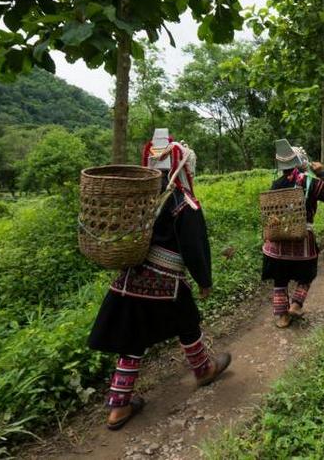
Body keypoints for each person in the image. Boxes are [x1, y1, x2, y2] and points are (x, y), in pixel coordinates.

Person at [88, 129, 231, 431]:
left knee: (132, 337)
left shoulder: (138, 199)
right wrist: (204, 280)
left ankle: (119, 406)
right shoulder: (183, 202)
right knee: (188, 322)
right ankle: (204, 370)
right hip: (166, 282)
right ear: (183, 167)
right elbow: (195, 247)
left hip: (129, 279)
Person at [262, 139, 324, 328]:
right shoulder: (309, 181)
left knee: (280, 279)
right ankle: (296, 304)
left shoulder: (275, 184)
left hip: (278, 241)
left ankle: (282, 317)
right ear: (300, 161)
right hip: (302, 239)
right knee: (307, 274)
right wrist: (323, 173)